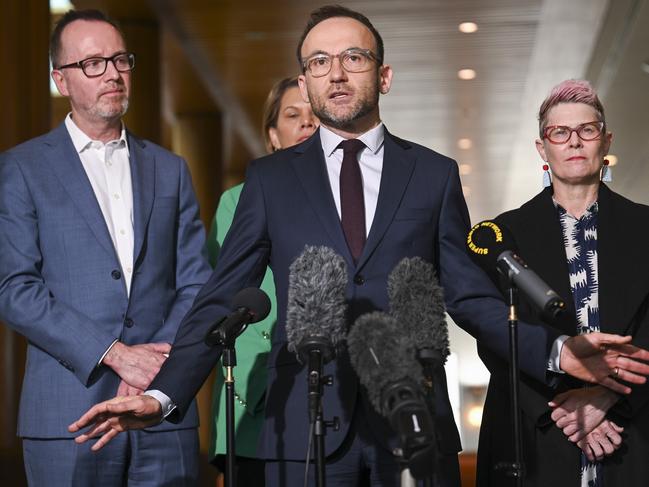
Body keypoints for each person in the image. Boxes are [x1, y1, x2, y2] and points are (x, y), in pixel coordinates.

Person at [69, 7, 649, 487]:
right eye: (319, 62)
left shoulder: (433, 174)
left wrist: (556, 352)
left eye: (354, 58)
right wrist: (166, 393)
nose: (336, 74)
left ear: (384, 75)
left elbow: (469, 297)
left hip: (413, 423)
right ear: (305, 81)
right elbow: (221, 299)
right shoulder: (270, 181)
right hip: (301, 429)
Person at [0, 9, 211, 486]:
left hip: (162, 410)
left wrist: (153, 366)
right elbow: (14, 289)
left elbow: (197, 281)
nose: (113, 73)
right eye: (93, 63)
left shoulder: (170, 169)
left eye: (120, 59)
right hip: (69, 416)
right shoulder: (22, 168)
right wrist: (115, 353)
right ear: (61, 79)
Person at [476, 79, 649, 487]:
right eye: (560, 132)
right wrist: (566, 409)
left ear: (605, 142)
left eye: (587, 130)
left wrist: (608, 397)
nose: (575, 142)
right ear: (543, 148)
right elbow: (495, 337)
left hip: (634, 426)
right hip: (536, 432)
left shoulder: (645, 227)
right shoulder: (504, 233)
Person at [206, 76, 318, 486]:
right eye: (293, 115)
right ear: (273, 135)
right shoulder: (235, 202)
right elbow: (218, 300)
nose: (307, 124)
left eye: (315, 115)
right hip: (252, 396)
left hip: (327, 395)